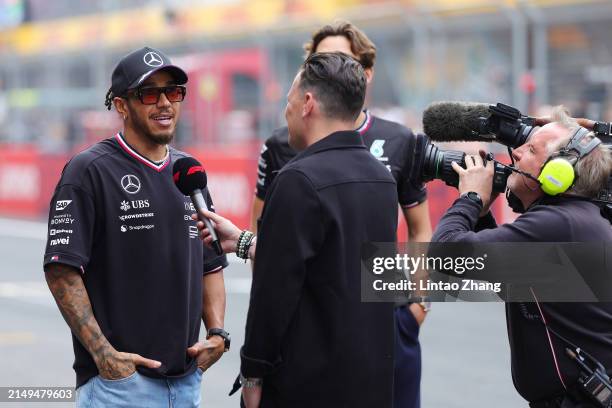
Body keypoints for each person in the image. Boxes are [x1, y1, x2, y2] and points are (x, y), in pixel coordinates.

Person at [197, 52, 398, 407]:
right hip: (373, 382)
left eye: (287, 101)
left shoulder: (298, 180)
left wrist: (252, 373)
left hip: (307, 386)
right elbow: (340, 266)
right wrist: (244, 242)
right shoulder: (381, 179)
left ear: (307, 103)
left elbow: (273, 294)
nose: (285, 111)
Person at [251, 21, 432, 408]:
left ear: (363, 74)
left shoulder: (399, 141)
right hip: (314, 336)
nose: (332, 69)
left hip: (385, 326)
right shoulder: (282, 145)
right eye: (320, 61)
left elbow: (420, 228)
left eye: (341, 61)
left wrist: (418, 305)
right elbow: (273, 254)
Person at [43, 46, 230, 408]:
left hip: (187, 383)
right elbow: (62, 271)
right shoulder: (88, 170)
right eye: (149, 93)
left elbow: (210, 264)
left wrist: (218, 333)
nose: (164, 103)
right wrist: (105, 357)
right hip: (120, 387)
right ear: (121, 106)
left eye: (173, 91)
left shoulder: (189, 172)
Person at [431, 106, 612, 407]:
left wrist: (471, 198)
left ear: (559, 173)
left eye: (531, 149)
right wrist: (481, 215)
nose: (514, 153)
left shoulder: (559, 225)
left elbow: (445, 257)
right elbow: (508, 280)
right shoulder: (572, 221)